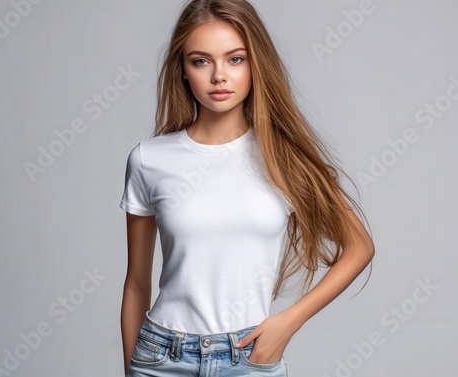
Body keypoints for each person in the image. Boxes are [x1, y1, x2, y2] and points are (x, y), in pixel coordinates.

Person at [119, 0, 375, 376]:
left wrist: (288, 322)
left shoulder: (284, 158)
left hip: (249, 358)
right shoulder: (149, 159)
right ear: (183, 71)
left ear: (256, 65)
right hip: (162, 357)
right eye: (201, 61)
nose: (219, 75)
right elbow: (136, 284)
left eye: (235, 59)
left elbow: (359, 247)